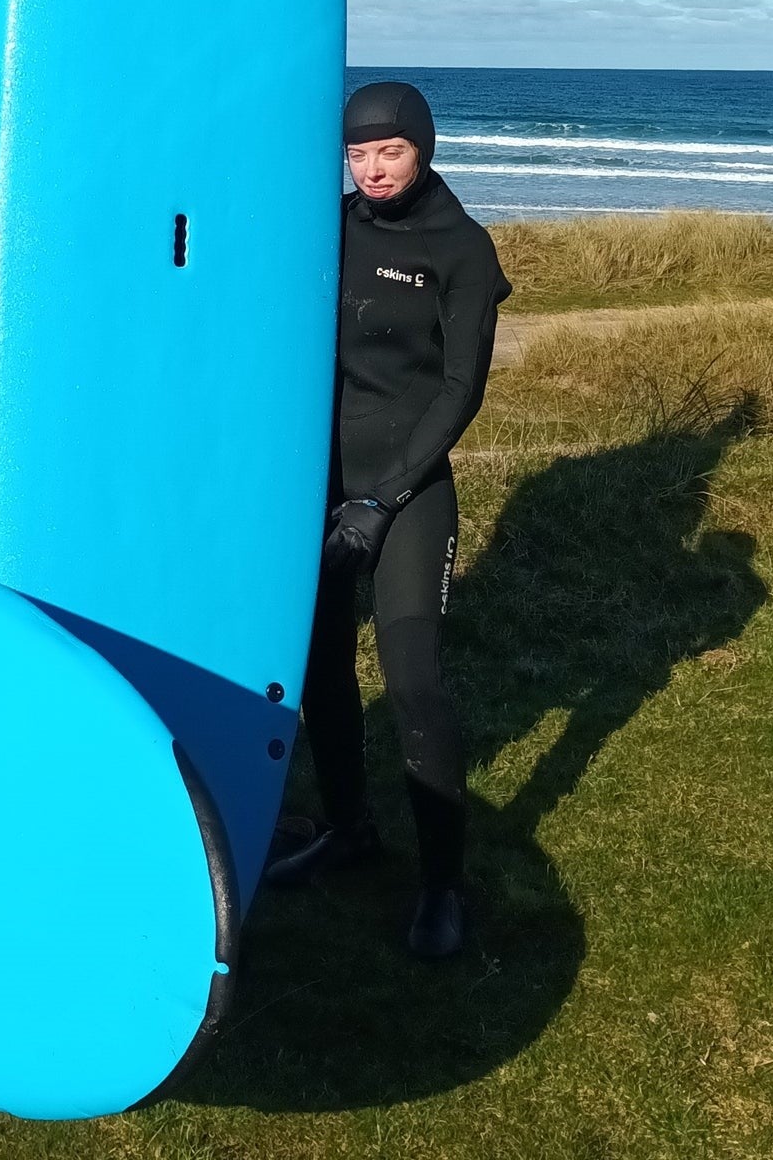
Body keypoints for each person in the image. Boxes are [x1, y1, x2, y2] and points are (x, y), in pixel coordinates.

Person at [267, 81, 510, 959]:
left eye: (390, 152)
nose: (372, 169)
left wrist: (382, 498)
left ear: (425, 148)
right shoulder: (330, 223)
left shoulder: (463, 249)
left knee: (413, 681)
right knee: (322, 671)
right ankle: (348, 828)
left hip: (406, 491)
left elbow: (460, 390)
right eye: (358, 154)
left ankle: (443, 885)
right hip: (317, 484)